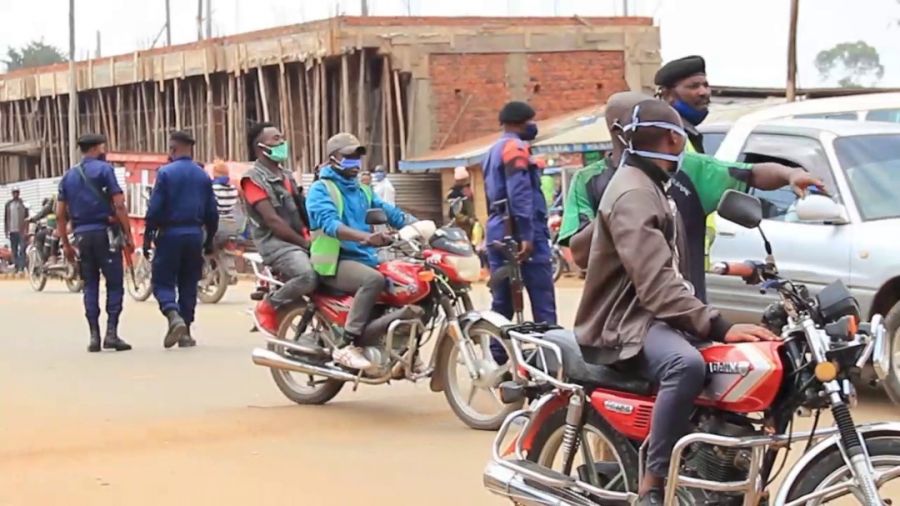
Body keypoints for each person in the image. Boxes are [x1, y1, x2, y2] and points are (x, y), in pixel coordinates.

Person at [572, 100, 779, 505]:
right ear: (673, 137)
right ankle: (655, 481)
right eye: (680, 135)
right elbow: (655, 285)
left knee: (738, 361)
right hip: (627, 321)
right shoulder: (633, 192)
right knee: (685, 365)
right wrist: (718, 323)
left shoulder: (652, 182)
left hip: (654, 316)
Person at [567, 91, 824, 302]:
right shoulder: (589, 180)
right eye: (641, 120)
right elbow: (579, 255)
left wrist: (790, 174)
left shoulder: (689, 167)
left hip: (687, 308)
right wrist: (616, 212)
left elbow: (751, 174)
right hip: (622, 317)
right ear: (618, 129)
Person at [306, 133, 415, 370]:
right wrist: (366, 237)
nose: (355, 163)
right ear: (333, 158)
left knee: (405, 282)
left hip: (364, 257)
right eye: (349, 157)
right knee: (373, 280)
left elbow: (391, 213)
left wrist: (419, 226)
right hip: (335, 261)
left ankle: (396, 347)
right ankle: (346, 343)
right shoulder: (320, 189)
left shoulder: (363, 191)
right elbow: (330, 224)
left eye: (357, 158)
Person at [57, 133, 134, 352]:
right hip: (105, 234)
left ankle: (93, 336)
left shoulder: (69, 176)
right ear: (97, 148)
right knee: (114, 283)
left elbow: (60, 214)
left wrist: (66, 244)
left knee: (89, 284)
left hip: (81, 236)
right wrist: (128, 234)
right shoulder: (104, 170)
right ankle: (111, 333)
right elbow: (119, 204)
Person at [482, 101, 556, 325]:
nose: (534, 125)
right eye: (531, 121)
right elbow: (519, 193)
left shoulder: (491, 151)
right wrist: (526, 235)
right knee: (542, 300)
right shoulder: (515, 148)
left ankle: (496, 356)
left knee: (502, 304)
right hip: (519, 232)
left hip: (497, 229)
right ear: (519, 122)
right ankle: (548, 356)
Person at [241, 122, 317, 337]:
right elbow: (273, 221)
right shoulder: (252, 179)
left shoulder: (287, 175)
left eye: (282, 138)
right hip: (276, 244)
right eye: (275, 139)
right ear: (259, 147)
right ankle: (269, 305)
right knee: (307, 276)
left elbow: (303, 209)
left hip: (300, 238)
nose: (282, 142)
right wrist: (305, 243)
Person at [145, 131, 218, 349]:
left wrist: (148, 235)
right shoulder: (202, 175)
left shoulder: (165, 173)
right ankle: (185, 331)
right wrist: (209, 239)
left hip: (170, 234)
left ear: (173, 149)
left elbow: (155, 208)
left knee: (163, 280)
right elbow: (212, 212)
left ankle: (172, 314)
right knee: (188, 282)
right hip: (194, 234)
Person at [655, 55, 711, 153]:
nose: (703, 92)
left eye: (705, 85)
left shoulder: (687, 132)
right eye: (694, 86)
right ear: (667, 94)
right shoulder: (664, 134)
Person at [446, 166, 477, 237]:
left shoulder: (467, 190)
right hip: (460, 226)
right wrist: (468, 219)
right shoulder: (454, 193)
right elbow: (455, 213)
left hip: (469, 224)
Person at [27, 195, 59, 263]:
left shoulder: (53, 205)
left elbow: (40, 215)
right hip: (61, 228)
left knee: (39, 236)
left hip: (54, 230)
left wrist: (32, 219)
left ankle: (44, 259)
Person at [4, 188, 28, 273]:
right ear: (12, 194)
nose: (15, 194)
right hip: (12, 230)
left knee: (22, 249)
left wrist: (26, 230)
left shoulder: (23, 204)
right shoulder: (8, 204)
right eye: (14, 193)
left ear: (19, 193)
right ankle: (16, 267)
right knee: (14, 249)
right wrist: (6, 230)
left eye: (17, 192)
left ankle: (22, 267)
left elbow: (27, 217)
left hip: (21, 230)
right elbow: (6, 218)